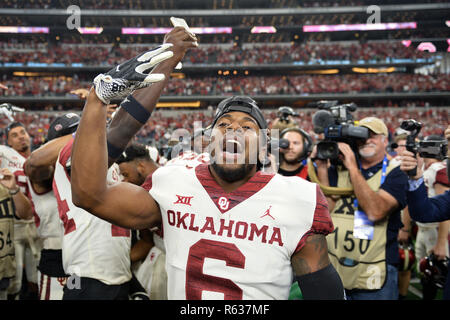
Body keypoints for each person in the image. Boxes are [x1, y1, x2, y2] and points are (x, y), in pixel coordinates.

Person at [67, 25, 345, 298]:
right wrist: (97, 100)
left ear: (263, 149)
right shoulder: (175, 180)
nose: (233, 129)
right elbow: (89, 195)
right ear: (209, 142)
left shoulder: (297, 197)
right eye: (223, 124)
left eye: (247, 127)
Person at [313, 116, 409, 300]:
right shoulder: (337, 169)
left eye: (372, 135)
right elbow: (325, 211)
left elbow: (374, 212)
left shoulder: (396, 173)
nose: (366, 140)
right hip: (334, 267)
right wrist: (322, 168)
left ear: (385, 140)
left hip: (375, 270)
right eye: (361, 136)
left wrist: (352, 166)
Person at [23, 113, 80, 299]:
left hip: (80, 255)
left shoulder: (87, 167)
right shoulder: (44, 169)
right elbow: (34, 166)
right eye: (74, 133)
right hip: (55, 254)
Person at [399, 124, 450, 300]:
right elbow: (426, 211)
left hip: (435, 231)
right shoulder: (427, 169)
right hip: (424, 227)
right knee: (426, 272)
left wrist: (441, 242)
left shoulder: (439, 170)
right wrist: (415, 178)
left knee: (434, 273)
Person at [116, 143, 167, 299]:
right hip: (159, 258)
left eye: (125, 174)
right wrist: (118, 263)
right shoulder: (142, 193)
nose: (123, 181)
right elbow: (147, 240)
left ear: (140, 166)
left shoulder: (172, 179)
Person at [0, 122, 41, 299]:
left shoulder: (41, 155)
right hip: (14, 225)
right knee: (14, 281)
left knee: (37, 278)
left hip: (38, 224)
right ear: (8, 142)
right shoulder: (6, 155)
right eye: (14, 135)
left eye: (23, 132)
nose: (21, 136)